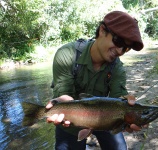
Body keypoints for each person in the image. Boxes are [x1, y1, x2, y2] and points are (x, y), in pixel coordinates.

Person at [46, 11, 147, 150]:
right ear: (102, 30)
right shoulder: (67, 55)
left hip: (104, 120)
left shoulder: (117, 68)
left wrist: (129, 116)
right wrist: (63, 102)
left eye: (126, 48)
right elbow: (64, 92)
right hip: (69, 120)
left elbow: (119, 97)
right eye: (118, 41)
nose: (119, 50)